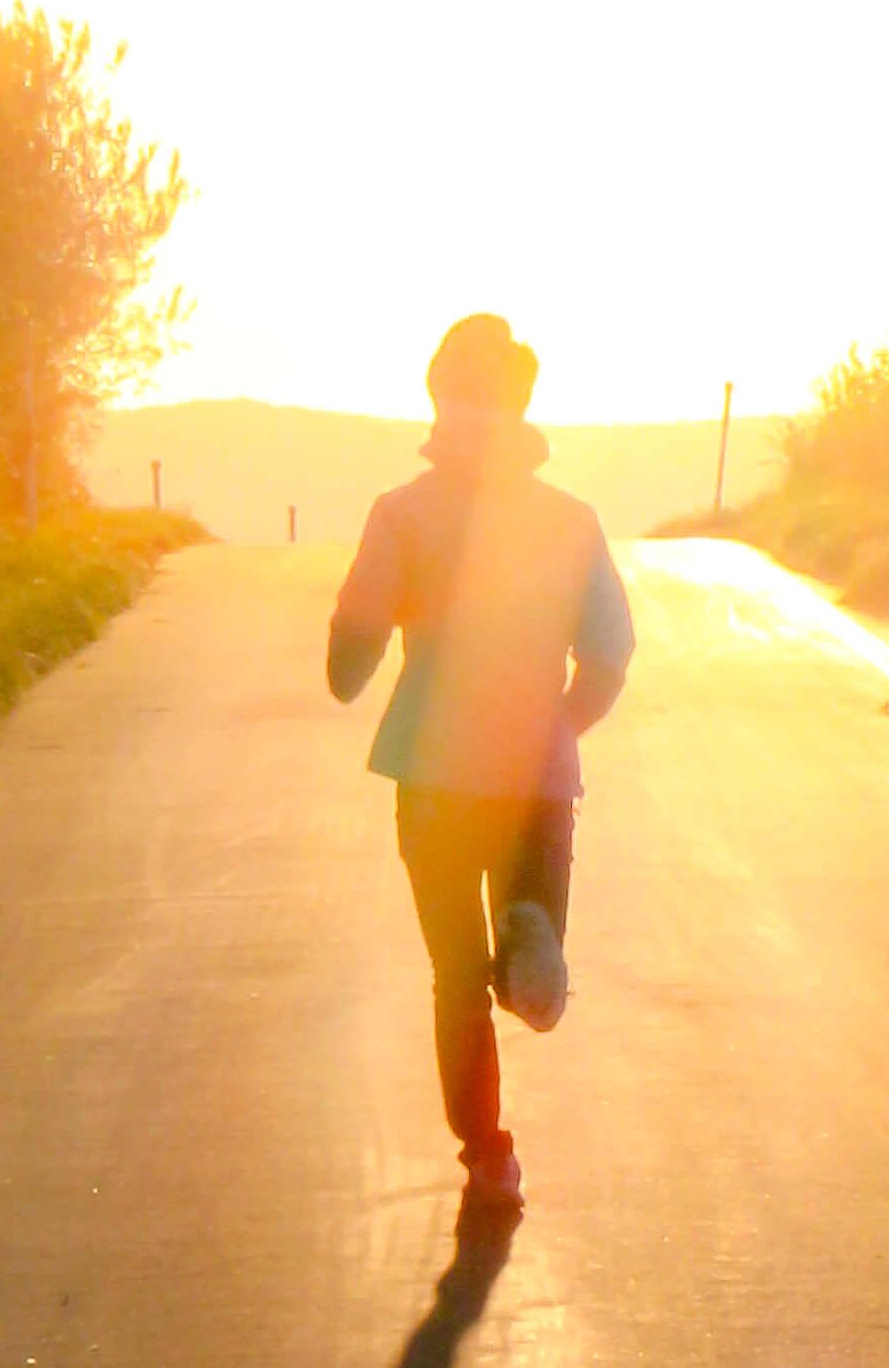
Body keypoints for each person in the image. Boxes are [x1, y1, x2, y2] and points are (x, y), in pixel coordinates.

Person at [327, 313, 635, 1210]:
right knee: (528, 926)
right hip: (534, 773)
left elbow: (350, 660)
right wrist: (557, 728)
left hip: (429, 773)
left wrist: (352, 647)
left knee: (454, 974)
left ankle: (488, 1155)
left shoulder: (401, 514)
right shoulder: (569, 520)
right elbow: (611, 655)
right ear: (522, 406)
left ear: (437, 400)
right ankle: (533, 927)